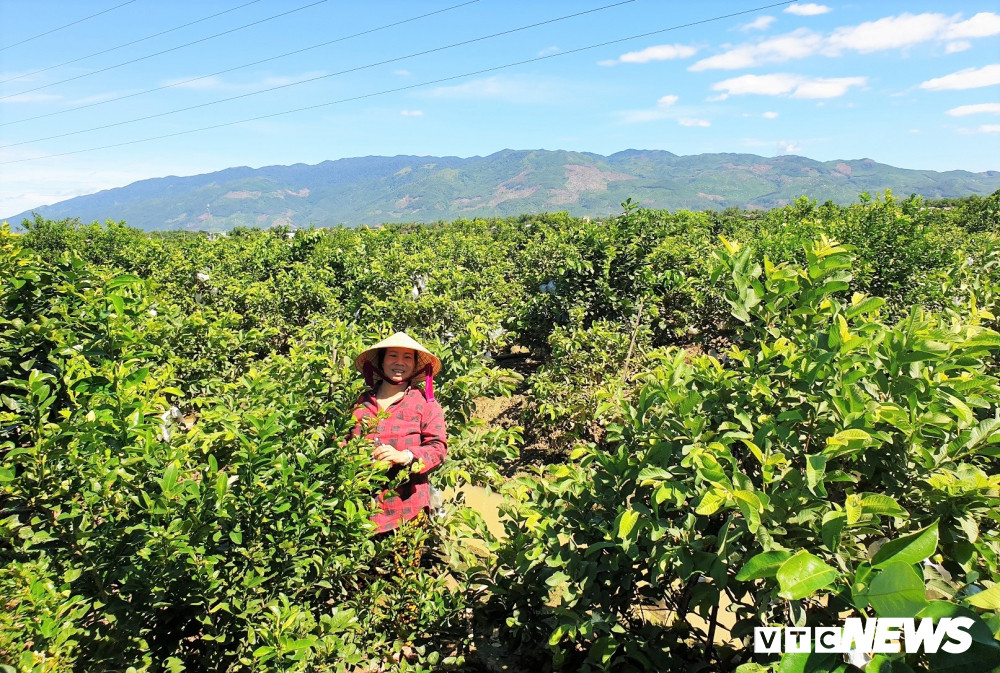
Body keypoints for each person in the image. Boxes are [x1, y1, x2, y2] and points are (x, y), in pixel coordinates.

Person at [350, 332, 447, 535]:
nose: (399, 362)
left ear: (414, 365)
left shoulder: (424, 405)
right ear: (382, 361)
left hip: (406, 513)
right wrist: (360, 458)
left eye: (407, 357)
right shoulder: (361, 403)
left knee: (403, 566)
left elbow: (438, 449)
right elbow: (342, 442)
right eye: (393, 356)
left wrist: (405, 456)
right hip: (358, 511)